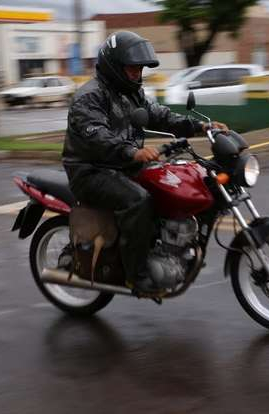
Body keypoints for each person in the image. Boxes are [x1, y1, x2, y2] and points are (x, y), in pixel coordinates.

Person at [62, 31, 227, 292]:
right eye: (131, 69)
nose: (137, 74)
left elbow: (161, 116)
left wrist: (201, 127)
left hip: (123, 165)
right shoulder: (90, 96)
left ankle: (169, 249)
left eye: (139, 69)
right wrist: (132, 151)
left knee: (184, 181)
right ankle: (136, 275)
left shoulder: (132, 93)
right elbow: (97, 136)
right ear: (114, 66)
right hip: (91, 170)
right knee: (138, 201)